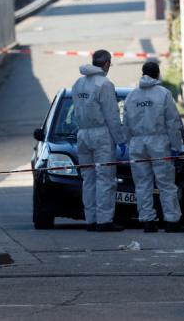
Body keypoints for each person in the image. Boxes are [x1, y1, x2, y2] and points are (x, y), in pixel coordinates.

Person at [123, 62, 184, 233]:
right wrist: (177, 146)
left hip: (137, 144)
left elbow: (126, 123)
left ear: (142, 73)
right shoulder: (163, 94)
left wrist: (131, 143)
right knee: (166, 184)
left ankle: (148, 221)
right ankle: (172, 221)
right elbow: (172, 122)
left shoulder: (131, 96)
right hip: (159, 143)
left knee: (142, 184)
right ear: (158, 74)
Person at [72, 50, 127, 232]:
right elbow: (111, 115)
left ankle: (90, 219)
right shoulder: (104, 84)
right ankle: (104, 221)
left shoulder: (78, 83)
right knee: (105, 179)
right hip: (101, 135)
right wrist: (121, 140)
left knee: (88, 179)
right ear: (107, 64)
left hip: (83, 134)